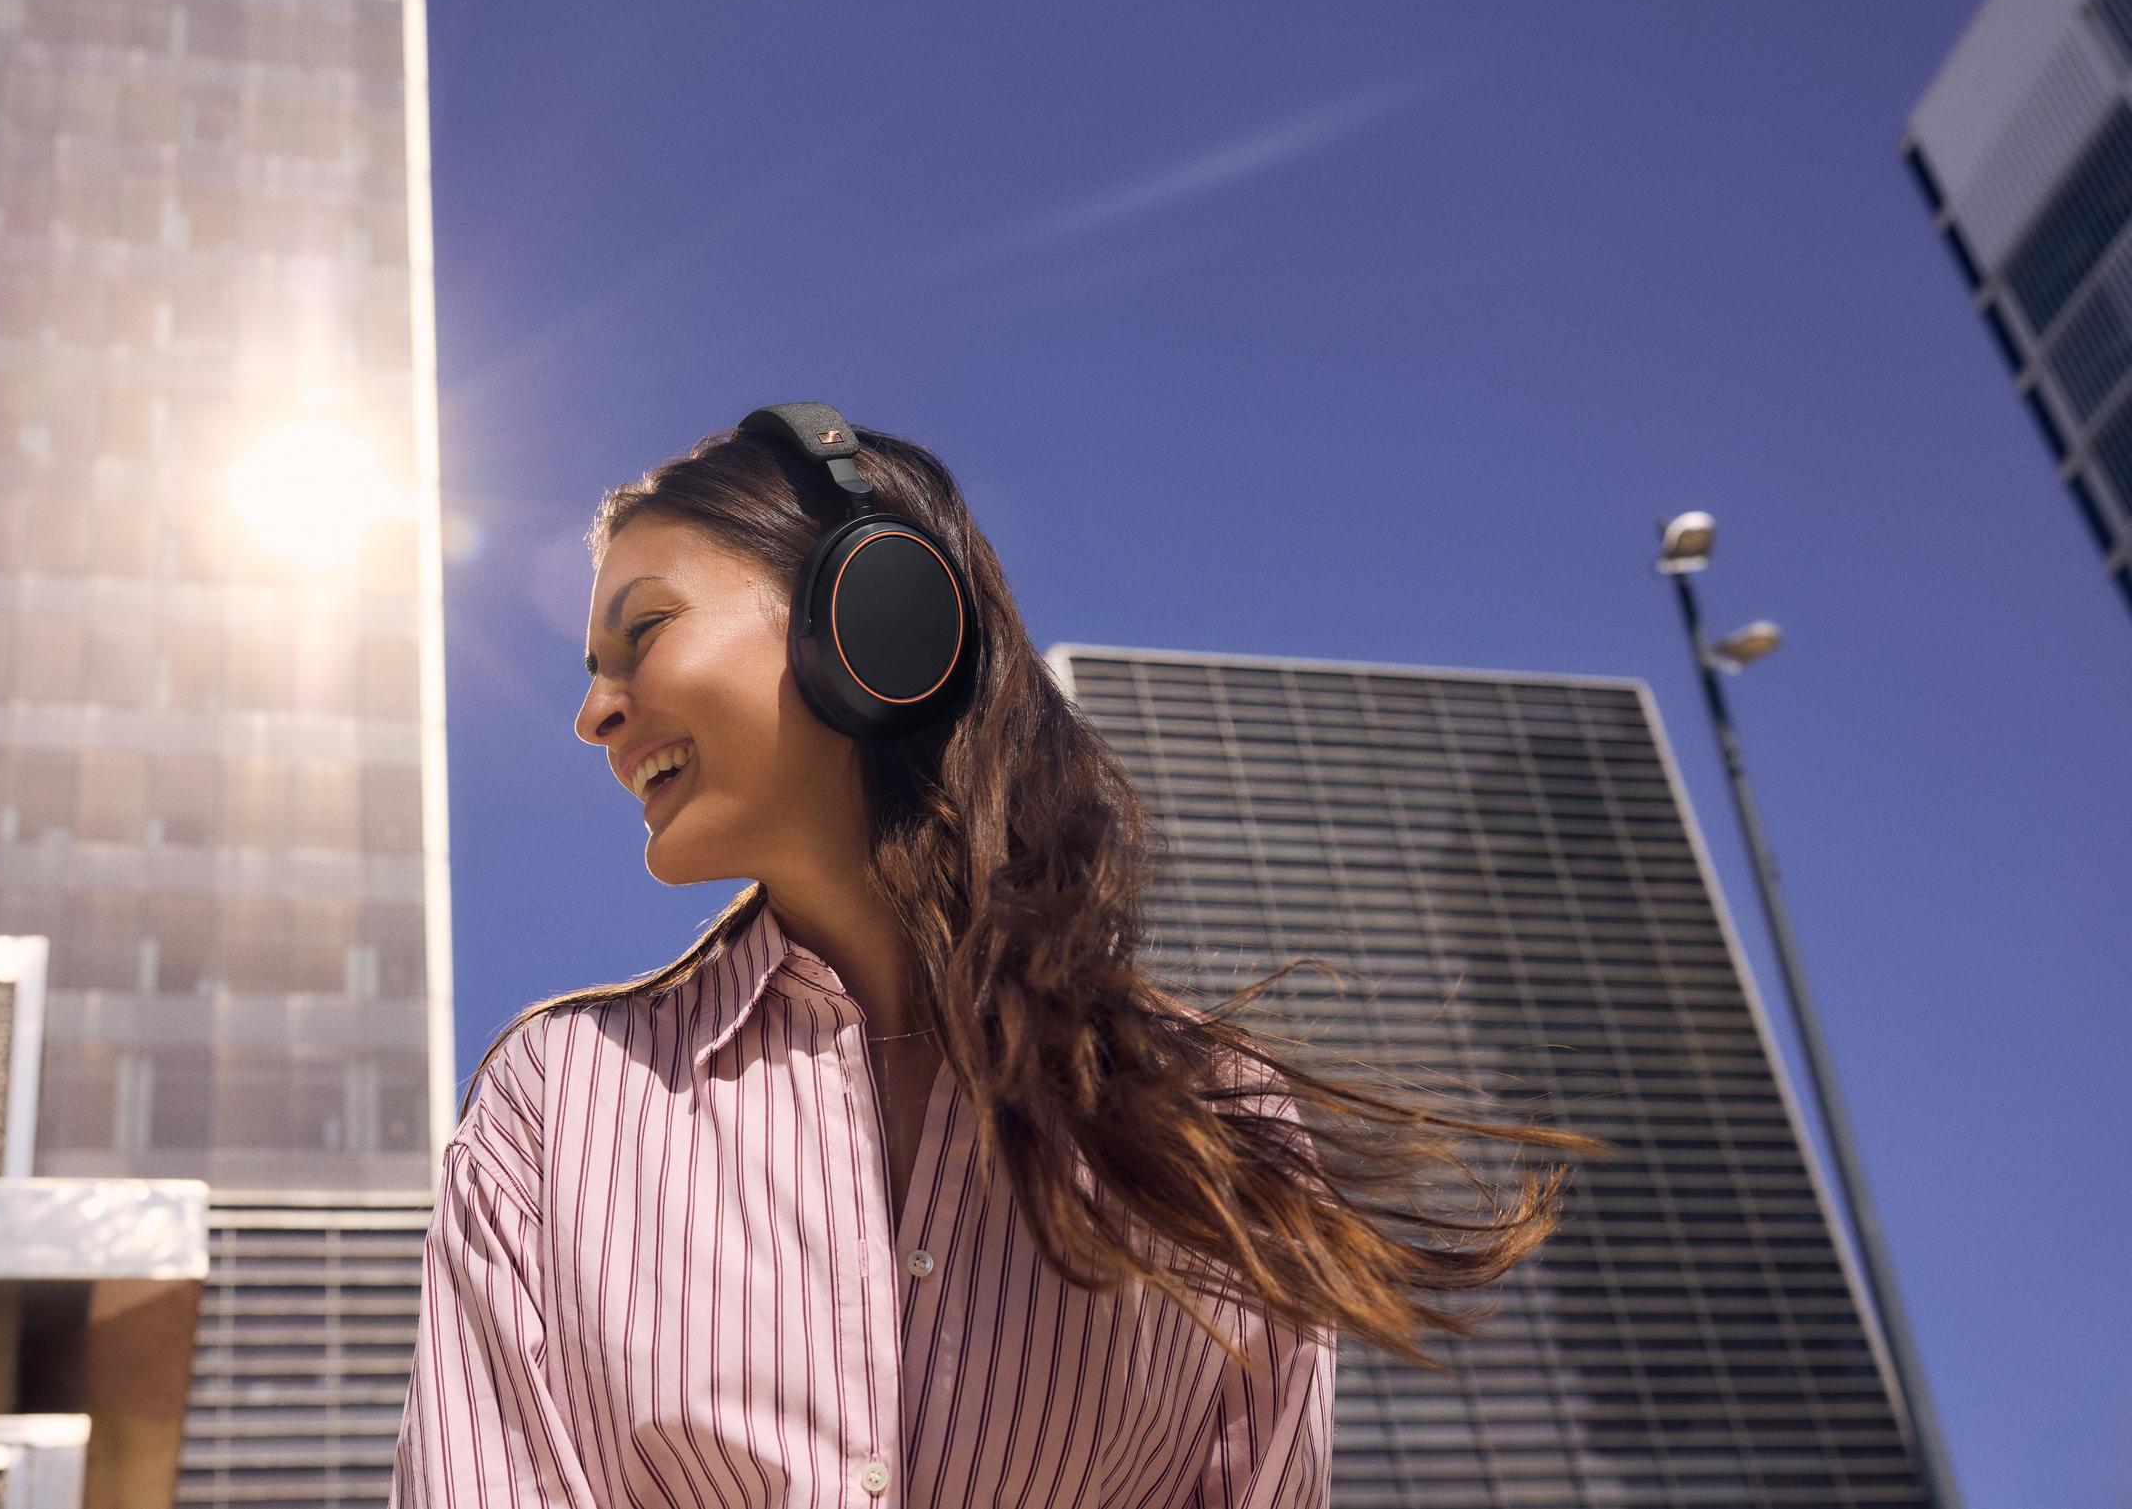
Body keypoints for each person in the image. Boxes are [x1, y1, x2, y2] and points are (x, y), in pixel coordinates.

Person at [389, 408, 1604, 1508]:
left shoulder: (1217, 1113)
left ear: (872, 616)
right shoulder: (554, 1101)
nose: (594, 711)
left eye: (643, 629)